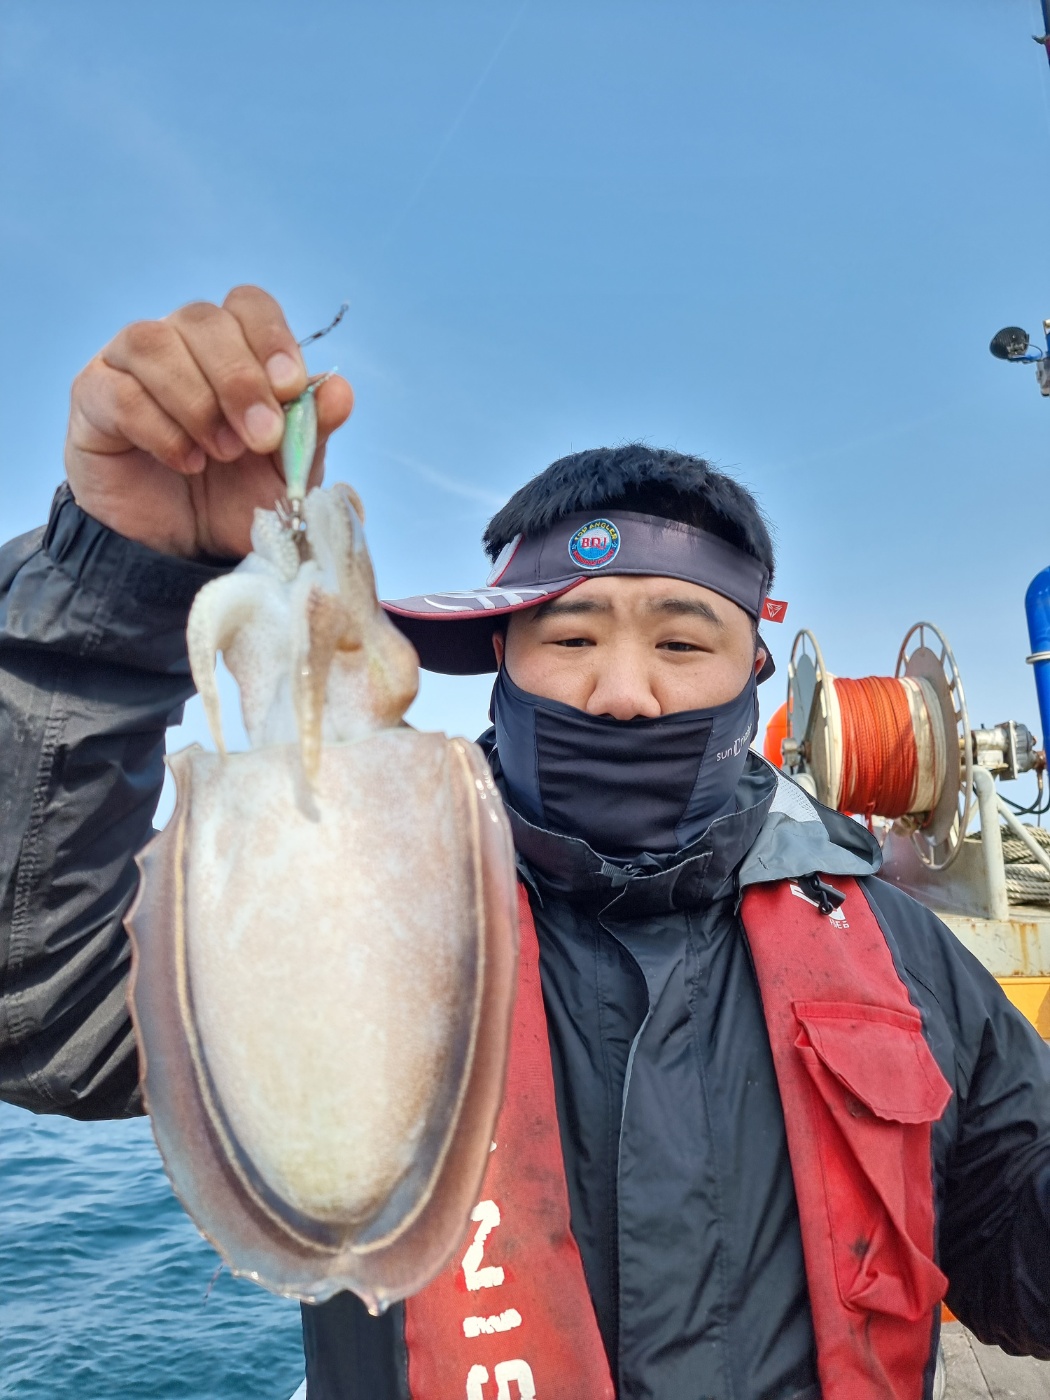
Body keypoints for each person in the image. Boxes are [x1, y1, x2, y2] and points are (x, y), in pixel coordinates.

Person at [2, 286, 1050, 1400]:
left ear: (752, 670)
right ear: (502, 655)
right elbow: (44, 1002)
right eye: (573, 637)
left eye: (682, 643)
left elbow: (1013, 1243)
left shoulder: (901, 950)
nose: (624, 692)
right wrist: (114, 578)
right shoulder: (361, 903)